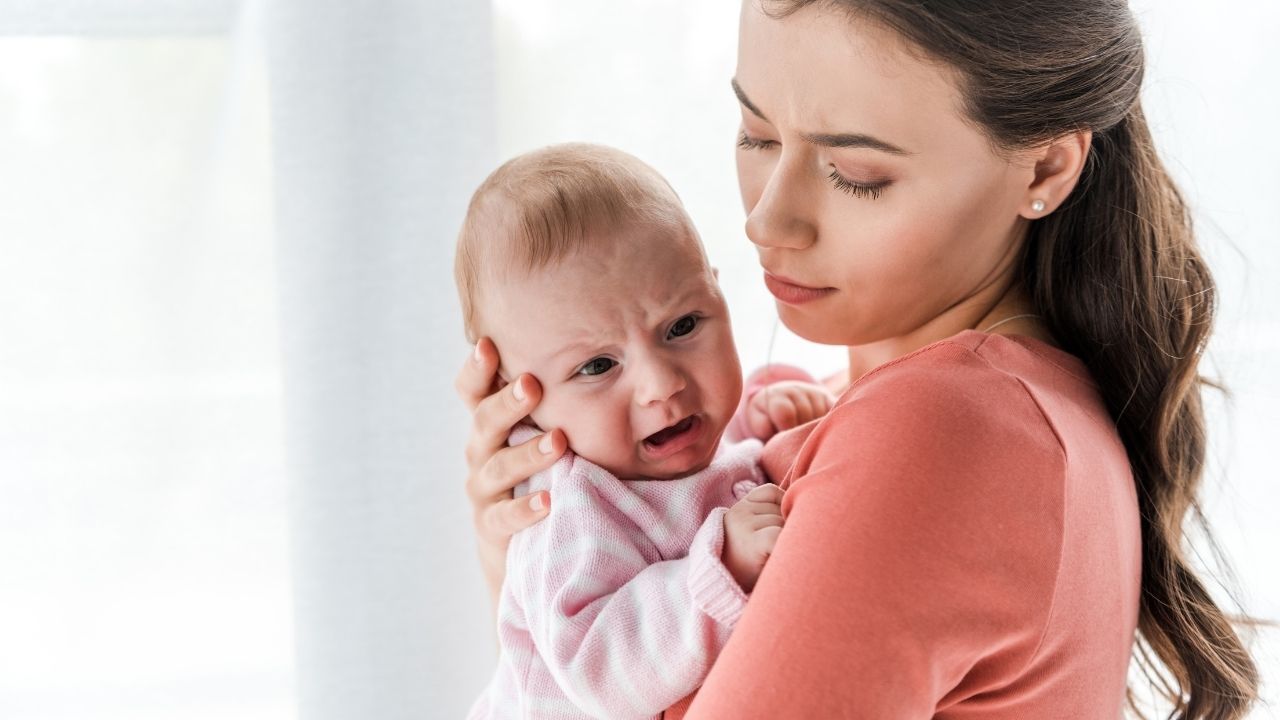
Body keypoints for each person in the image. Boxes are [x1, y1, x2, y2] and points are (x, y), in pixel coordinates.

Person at [455, 1, 1260, 717]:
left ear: (1045, 166)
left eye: (856, 174)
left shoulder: (943, 429)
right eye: (756, 135)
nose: (767, 222)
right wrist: (533, 563)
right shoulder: (836, 410)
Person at [456, 143, 835, 719]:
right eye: (598, 366)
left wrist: (756, 417)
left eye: (682, 325)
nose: (660, 384)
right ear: (522, 402)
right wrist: (719, 565)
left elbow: (704, 475)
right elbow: (600, 671)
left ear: (716, 290)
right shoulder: (573, 508)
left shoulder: (654, 441)